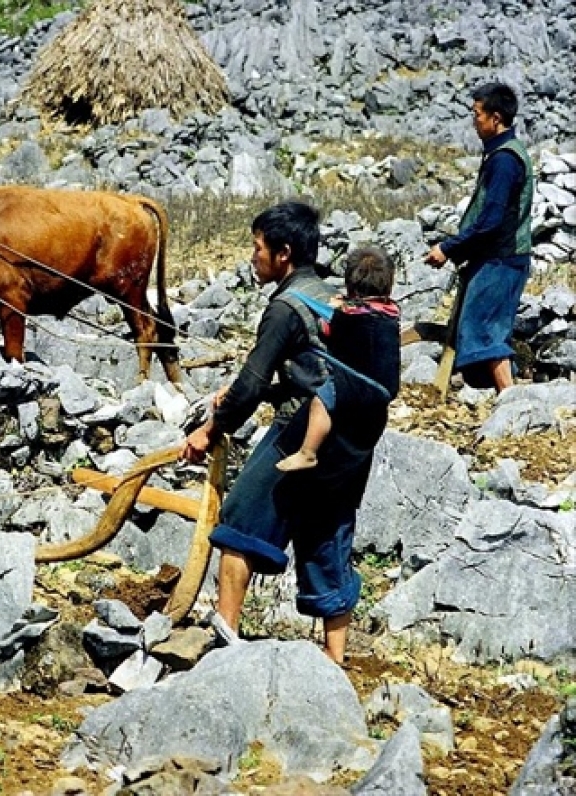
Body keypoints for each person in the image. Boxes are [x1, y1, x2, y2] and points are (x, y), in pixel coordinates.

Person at [183, 201, 395, 664]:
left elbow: (251, 385)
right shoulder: (333, 298)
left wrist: (209, 429)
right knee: (327, 534)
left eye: (257, 247)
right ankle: (335, 659)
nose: (252, 257)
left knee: (239, 524)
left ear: (282, 254)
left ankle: (226, 636)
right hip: (347, 444)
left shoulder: (284, 309)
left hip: (297, 433)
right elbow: (317, 374)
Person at [424, 81, 534, 392]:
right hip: (496, 257)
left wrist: (448, 248)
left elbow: (490, 221)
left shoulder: (504, 161)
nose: (475, 122)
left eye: (477, 115)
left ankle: (511, 402)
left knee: (484, 331)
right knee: (480, 326)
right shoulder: (502, 154)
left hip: (502, 260)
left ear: (495, 117)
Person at [276, 246, 401, 472]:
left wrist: (338, 309)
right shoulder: (391, 312)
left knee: (320, 402)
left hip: (357, 383)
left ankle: (308, 452)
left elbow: (328, 329)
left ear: (350, 284)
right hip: (385, 387)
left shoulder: (350, 316)